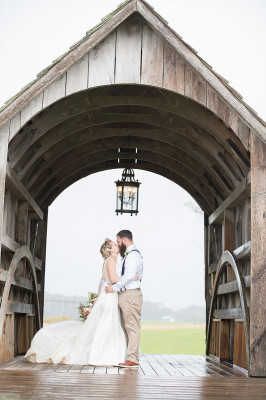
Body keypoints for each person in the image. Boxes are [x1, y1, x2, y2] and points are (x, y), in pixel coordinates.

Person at [24, 239, 128, 366]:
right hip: (109, 296)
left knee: (104, 324)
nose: (118, 246)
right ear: (110, 250)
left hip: (107, 295)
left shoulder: (108, 261)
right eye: (115, 245)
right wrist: (129, 277)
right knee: (107, 323)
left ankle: (103, 351)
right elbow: (112, 279)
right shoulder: (111, 261)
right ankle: (104, 353)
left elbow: (103, 281)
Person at [105, 230, 143, 368]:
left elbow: (128, 277)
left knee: (132, 326)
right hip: (126, 294)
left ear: (124, 240)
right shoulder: (128, 255)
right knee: (127, 326)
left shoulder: (133, 256)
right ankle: (129, 356)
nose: (118, 244)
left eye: (119, 242)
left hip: (131, 294)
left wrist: (114, 288)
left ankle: (132, 359)